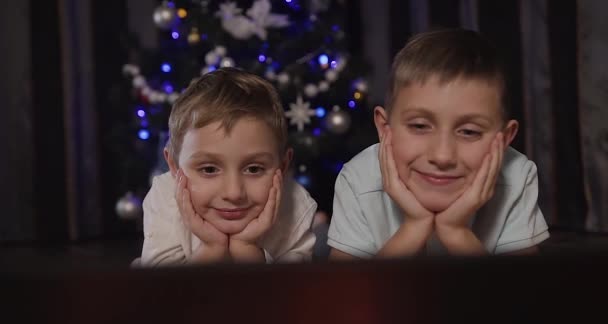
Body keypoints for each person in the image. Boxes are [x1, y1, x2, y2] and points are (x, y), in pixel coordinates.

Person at [328, 28, 550, 259]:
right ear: (385, 129)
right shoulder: (359, 178)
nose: (442, 156)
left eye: (469, 131)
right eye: (420, 126)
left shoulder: (517, 175)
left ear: (504, 139)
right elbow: (344, 295)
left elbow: (522, 295)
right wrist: (413, 227)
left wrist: (456, 232)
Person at [136, 67, 317, 266]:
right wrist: (212, 249)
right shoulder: (165, 194)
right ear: (174, 165)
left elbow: (286, 295)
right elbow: (165, 294)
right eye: (209, 169)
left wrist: (246, 248)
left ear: (283, 166)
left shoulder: (296, 204)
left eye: (254, 169)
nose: (234, 193)